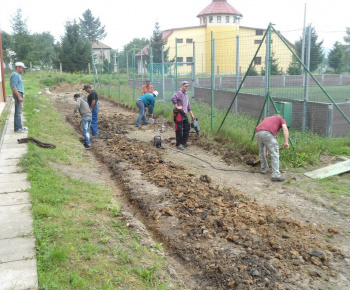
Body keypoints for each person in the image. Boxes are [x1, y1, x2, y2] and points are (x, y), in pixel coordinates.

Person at [255, 115, 290, 182]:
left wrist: (267, 152)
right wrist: (286, 142)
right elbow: (285, 129)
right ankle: (276, 175)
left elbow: (268, 141)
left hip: (258, 132)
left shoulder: (269, 119)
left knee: (262, 152)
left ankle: (264, 169)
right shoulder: (281, 119)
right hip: (267, 133)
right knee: (275, 154)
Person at [171, 81, 195, 150]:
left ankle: (184, 142)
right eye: (185, 86)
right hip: (178, 113)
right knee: (179, 129)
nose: (187, 87)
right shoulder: (180, 92)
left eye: (187, 86)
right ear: (182, 86)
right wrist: (177, 106)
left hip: (184, 113)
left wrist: (192, 115)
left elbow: (188, 106)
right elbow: (173, 98)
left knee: (187, 126)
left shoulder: (186, 95)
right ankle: (179, 144)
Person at [10, 62, 27, 133]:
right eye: (22, 68)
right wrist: (19, 96)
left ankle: (20, 127)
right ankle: (17, 128)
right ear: (17, 67)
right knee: (18, 112)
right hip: (18, 94)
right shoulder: (15, 75)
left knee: (19, 111)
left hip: (19, 93)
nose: (23, 69)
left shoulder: (18, 75)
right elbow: (13, 86)